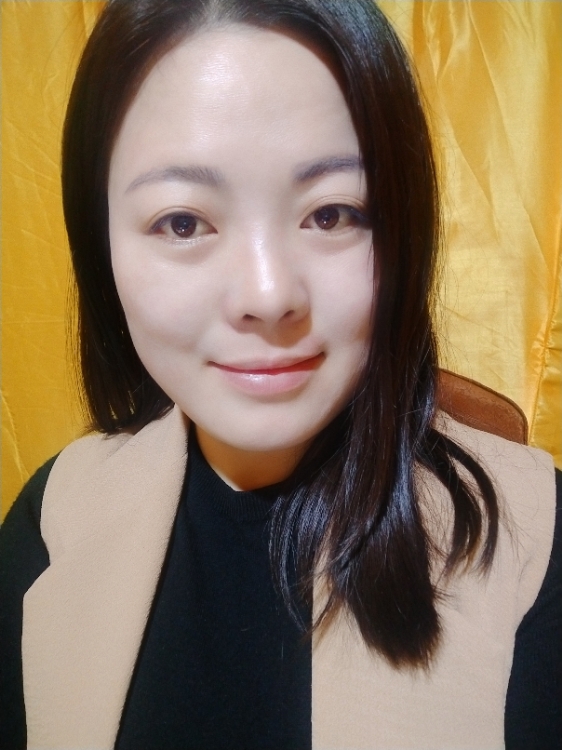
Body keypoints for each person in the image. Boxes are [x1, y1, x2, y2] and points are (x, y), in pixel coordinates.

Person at [0, 0, 560, 748]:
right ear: (101, 246)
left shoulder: (535, 544)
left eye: (332, 214)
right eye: (182, 222)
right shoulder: (55, 515)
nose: (268, 296)